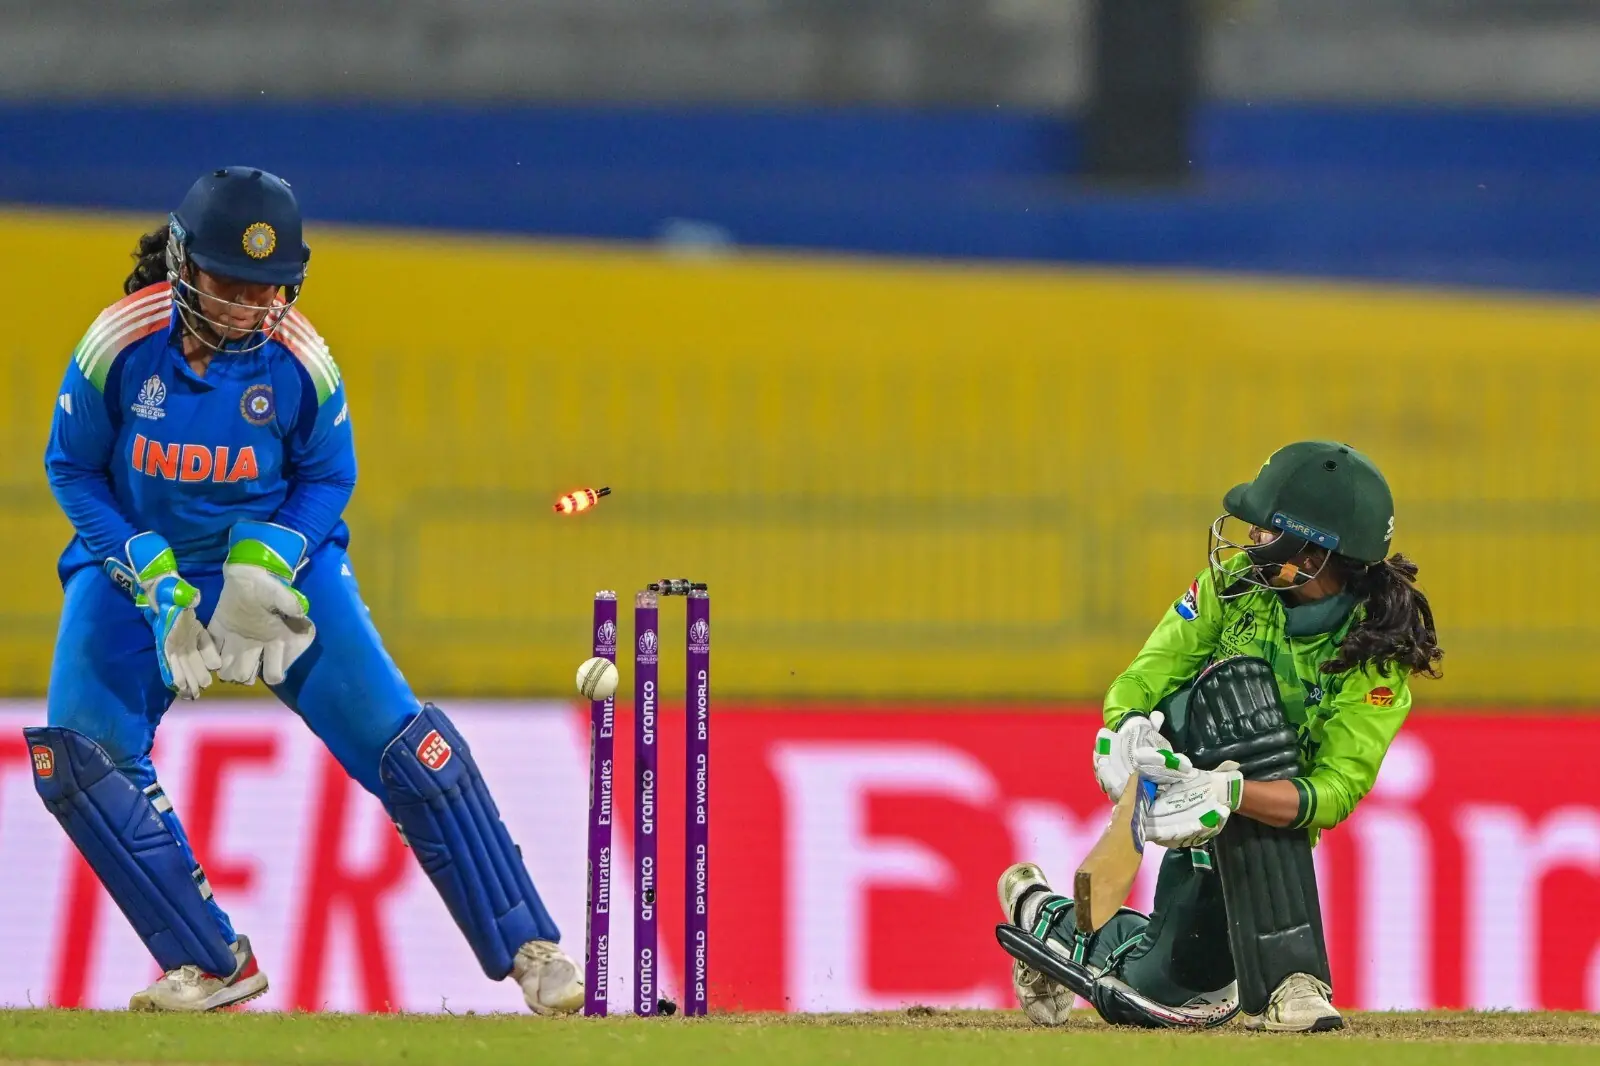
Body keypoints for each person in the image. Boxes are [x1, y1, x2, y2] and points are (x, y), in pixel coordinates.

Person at [28, 166, 583, 1014]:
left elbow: (329, 477)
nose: (248, 309)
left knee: (400, 744)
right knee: (76, 757)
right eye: (229, 285)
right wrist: (150, 573)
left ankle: (529, 947)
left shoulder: (300, 360)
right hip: (144, 566)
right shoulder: (120, 343)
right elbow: (71, 467)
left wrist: (263, 560)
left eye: (268, 289)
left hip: (279, 569)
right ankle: (210, 965)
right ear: (182, 263)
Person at [995, 441, 1442, 1032]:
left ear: (1313, 552)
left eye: (1266, 529)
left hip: (1256, 807)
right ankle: (1292, 981)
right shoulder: (1234, 586)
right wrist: (1130, 729)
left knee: (1171, 984)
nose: (1250, 538)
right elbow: (1144, 678)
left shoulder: (1376, 655)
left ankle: (1043, 917)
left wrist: (1228, 792)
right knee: (1237, 697)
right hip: (1188, 763)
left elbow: (1336, 792)